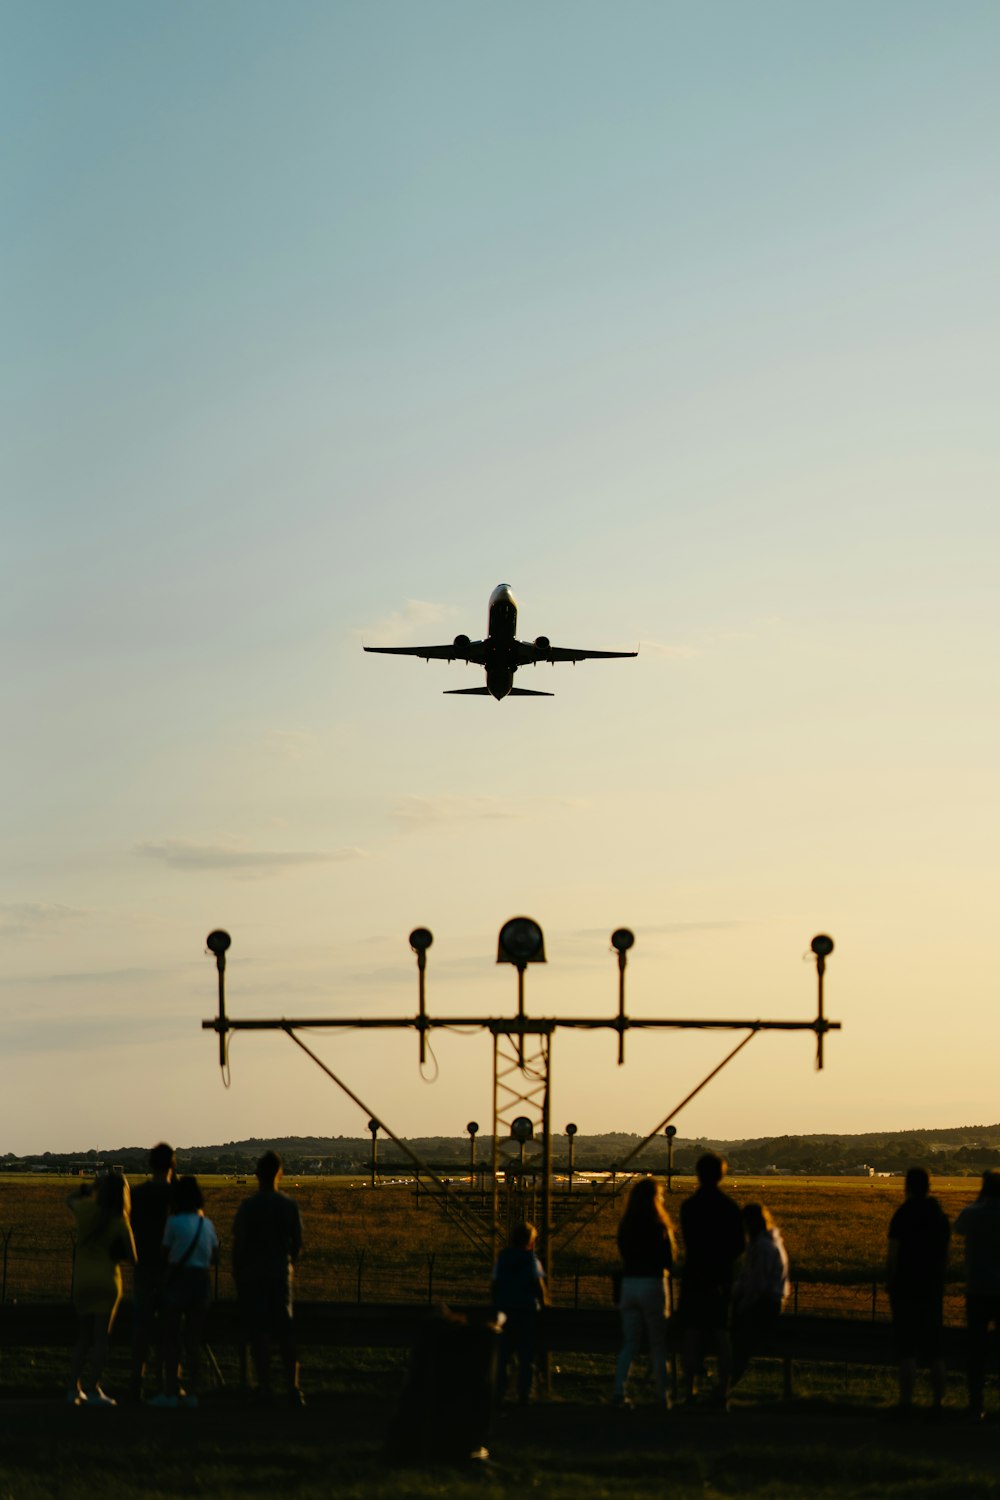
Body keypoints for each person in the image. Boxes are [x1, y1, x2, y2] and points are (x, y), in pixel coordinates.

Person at [232, 1150, 304, 1405]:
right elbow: (297, 1244)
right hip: (279, 1274)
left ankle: (264, 1386)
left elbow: (238, 1245)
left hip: (253, 1276)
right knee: (285, 1332)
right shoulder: (289, 1205)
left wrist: (238, 1274)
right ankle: (293, 1388)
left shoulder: (248, 1207)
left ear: (257, 1175)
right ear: (280, 1174)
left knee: (260, 1333)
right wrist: (287, 1264)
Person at [677, 1152, 744, 1406]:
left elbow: (690, 1242)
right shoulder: (729, 1208)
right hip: (720, 1278)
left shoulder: (688, 1207)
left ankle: (690, 1391)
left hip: (694, 1276)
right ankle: (722, 1391)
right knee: (721, 1334)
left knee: (692, 1335)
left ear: (698, 1174)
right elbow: (738, 1246)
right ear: (722, 1175)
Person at [148, 1176, 219, 1410]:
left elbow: (164, 1254)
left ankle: (170, 1391)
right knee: (193, 1340)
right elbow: (215, 1256)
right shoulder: (206, 1224)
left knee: (171, 1338)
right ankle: (193, 1393)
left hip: (177, 1281)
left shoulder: (174, 1222)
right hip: (201, 1282)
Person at [67, 1171, 137, 1406]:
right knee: (101, 1339)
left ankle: (73, 1388)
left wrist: (89, 1188)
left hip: (82, 1281)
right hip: (107, 1281)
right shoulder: (120, 1221)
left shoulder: (86, 1211)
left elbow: (70, 1199)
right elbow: (133, 1258)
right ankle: (93, 1387)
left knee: (83, 1338)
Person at [885, 1167, 950, 1413]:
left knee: (907, 1349)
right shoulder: (939, 1216)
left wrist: (890, 1280)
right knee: (935, 1351)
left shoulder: (903, 1214)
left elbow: (893, 1254)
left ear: (907, 1187)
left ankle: (906, 1404)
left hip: (905, 1287)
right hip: (932, 1287)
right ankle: (938, 1405)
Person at [612, 1176, 675, 1409]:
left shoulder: (626, 1224)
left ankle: (619, 1391)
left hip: (629, 1284)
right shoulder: (660, 1226)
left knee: (630, 1343)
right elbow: (670, 1259)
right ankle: (663, 1396)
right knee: (658, 1345)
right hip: (652, 1283)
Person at [127, 1141, 176, 1401]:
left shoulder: (138, 1194)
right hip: (172, 1269)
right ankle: (169, 1385)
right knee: (170, 1330)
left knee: (141, 1328)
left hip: (144, 1264)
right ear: (172, 1164)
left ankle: (137, 1381)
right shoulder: (178, 1195)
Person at [954, 1168, 1000, 1420]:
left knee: (976, 1351)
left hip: (978, 1290)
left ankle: (975, 1405)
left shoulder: (973, 1213)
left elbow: (958, 1228)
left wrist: (979, 1201)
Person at [731, 1202, 789, 1385]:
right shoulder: (768, 1242)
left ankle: (726, 1383)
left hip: (765, 1303)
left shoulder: (762, 1247)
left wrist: (740, 1305)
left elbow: (757, 1285)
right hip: (768, 1300)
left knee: (739, 1339)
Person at [491, 1221, 548, 1404]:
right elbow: (539, 1286)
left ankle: (499, 1393)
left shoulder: (503, 1257)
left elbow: (495, 1283)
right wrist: (544, 1303)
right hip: (525, 1311)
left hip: (505, 1310)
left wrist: (497, 1302)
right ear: (530, 1242)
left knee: (503, 1356)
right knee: (526, 1356)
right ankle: (524, 1394)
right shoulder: (531, 1259)